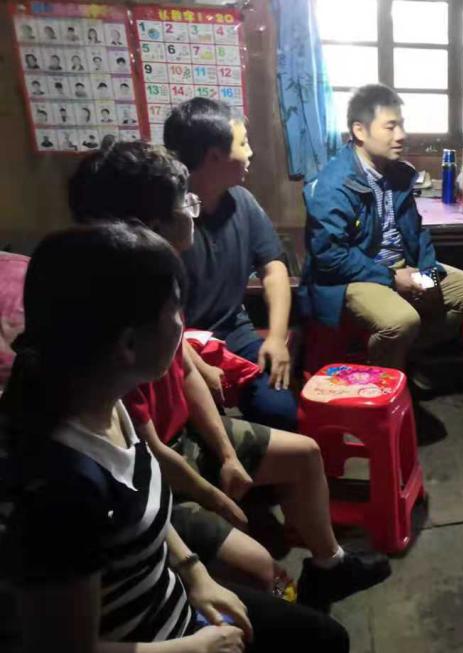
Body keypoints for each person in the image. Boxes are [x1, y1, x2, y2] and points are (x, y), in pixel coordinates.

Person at [68, 138, 391, 612]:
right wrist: (213, 495)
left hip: (185, 436)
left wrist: (224, 453)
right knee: (260, 567)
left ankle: (330, 566)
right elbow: (145, 453)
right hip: (154, 470)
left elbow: (186, 368)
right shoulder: (115, 327)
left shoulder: (160, 275)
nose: (193, 210)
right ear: (148, 224)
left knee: (304, 452)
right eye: (184, 203)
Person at [0, 223, 350, 652]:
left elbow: (143, 508)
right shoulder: (61, 490)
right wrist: (194, 647)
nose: (183, 324)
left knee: (326, 637)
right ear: (128, 344)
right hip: (164, 641)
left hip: (176, 603)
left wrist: (194, 573)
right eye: (176, 309)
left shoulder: (103, 402)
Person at [303, 84, 463, 371]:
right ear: (360, 131)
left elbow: (417, 232)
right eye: (390, 127)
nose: (401, 135)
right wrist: (392, 278)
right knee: (402, 320)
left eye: (402, 125)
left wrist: (427, 273)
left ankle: (400, 354)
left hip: (403, 269)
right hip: (357, 277)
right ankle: (381, 376)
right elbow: (331, 257)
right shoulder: (333, 184)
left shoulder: (399, 173)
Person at [162, 98, 299, 432]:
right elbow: (157, 316)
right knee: (189, 424)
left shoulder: (242, 202)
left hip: (233, 334)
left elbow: (274, 268)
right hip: (174, 344)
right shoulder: (166, 215)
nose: (250, 153)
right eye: (243, 143)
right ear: (213, 156)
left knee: (279, 410)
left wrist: (276, 337)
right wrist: (196, 368)